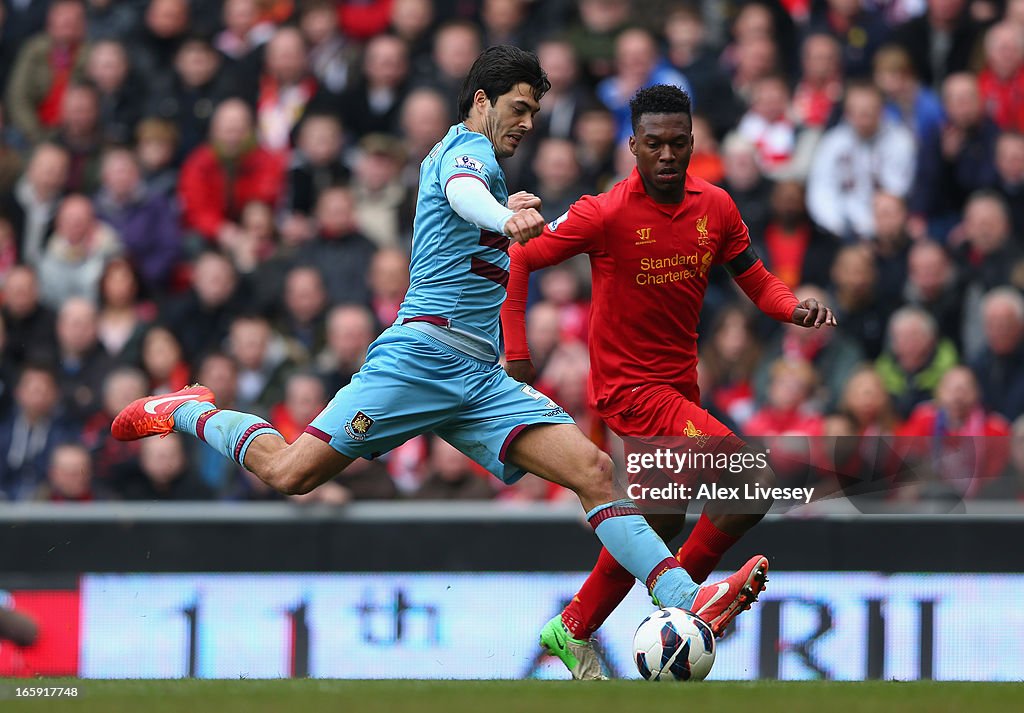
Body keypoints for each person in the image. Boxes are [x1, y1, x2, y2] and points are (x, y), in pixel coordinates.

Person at [112, 47, 766, 646]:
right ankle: (191, 407)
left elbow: (495, 220)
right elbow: (464, 192)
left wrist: (519, 222)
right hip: (419, 361)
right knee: (290, 473)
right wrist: (504, 217)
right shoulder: (465, 153)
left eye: (535, 111)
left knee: (594, 472)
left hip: (479, 380)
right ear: (481, 101)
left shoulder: (494, 173)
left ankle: (687, 596)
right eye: (518, 108)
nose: (528, 123)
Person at [501, 85, 837, 680]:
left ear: (691, 144)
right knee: (750, 478)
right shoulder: (602, 212)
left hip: (681, 387)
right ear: (633, 145)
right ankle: (693, 604)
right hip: (630, 390)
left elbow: (755, 278)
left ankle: (571, 627)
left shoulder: (717, 207)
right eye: (653, 143)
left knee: (661, 518)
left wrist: (792, 308)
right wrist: (519, 355)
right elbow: (522, 256)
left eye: (677, 143)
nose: (665, 155)